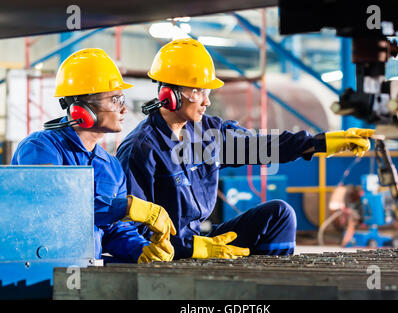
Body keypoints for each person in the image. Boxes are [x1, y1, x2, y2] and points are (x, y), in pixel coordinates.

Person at [116, 38, 374, 260]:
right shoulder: (142, 149)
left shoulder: (207, 134)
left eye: (207, 91)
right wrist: (191, 248)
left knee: (280, 215)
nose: (207, 101)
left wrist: (319, 143)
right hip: (170, 251)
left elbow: (261, 146)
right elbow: (135, 232)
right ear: (168, 95)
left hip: (203, 238)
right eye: (198, 91)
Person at [11, 48, 176, 263]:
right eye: (115, 100)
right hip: (35, 271)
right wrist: (125, 207)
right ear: (81, 109)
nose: (124, 109)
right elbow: (55, 207)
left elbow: (116, 232)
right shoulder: (40, 149)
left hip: (82, 275)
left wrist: (142, 251)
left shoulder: (111, 166)